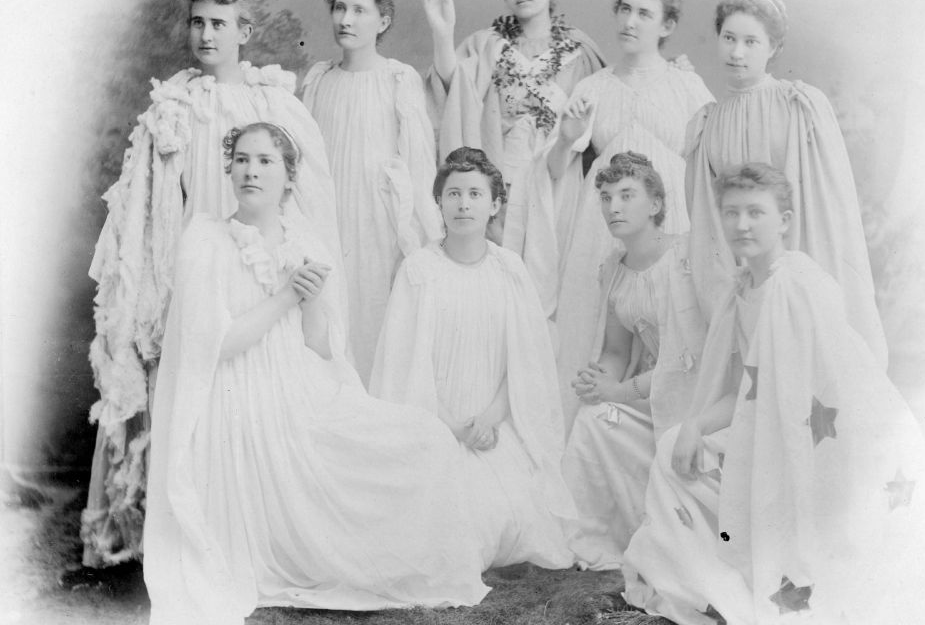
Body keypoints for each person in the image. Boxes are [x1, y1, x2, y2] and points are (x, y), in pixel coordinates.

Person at [144, 124, 489, 625]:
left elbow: (321, 346)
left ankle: (412, 563)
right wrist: (287, 294)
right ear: (229, 170)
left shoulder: (305, 240)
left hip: (300, 385)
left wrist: (310, 300)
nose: (251, 171)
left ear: (289, 177)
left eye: (266, 161)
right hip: (237, 399)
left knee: (426, 438)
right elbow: (217, 346)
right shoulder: (206, 240)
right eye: (242, 159)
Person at [83, 0, 345, 568]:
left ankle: (247, 523)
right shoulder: (174, 105)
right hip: (192, 257)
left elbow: (303, 195)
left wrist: (290, 263)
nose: (206, 34)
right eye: (198, 22)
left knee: (250, 389)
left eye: (219, 24)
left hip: (256, 262)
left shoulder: (271, 104)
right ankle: (173, 524)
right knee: (180, 387)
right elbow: (151, 205)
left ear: (244, 33)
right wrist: (161, 278)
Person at [621, 164, 925, 625]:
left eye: (755, 212)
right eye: (731, 212)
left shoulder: (798, 285)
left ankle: (788, 580)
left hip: (824, 438)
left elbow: (830, 389)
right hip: (768, 428)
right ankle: (713, 577)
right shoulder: (741, 290)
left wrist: (764, 443)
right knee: (674, 448)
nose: (741, 224)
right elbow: (749, 389)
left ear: (785, 220)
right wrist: (694, 426)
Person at [370, 147, 576, 571]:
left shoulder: (510, 270)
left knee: (514, 518)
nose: (463, 204)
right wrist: (453, 428)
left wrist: (488, 420)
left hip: (494, 424)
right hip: (436, 423)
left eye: (475, 194)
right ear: (439, 202)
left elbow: (525, 365)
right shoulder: (419, 270)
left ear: (495, 204)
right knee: (450, 524)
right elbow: (406, 367)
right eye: (454, 194)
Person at [685, 0, 886, 368]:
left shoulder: (799, 105)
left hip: (800, 264)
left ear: (773, 47)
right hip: (741, 278)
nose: (737, 52)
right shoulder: (707, 124)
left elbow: (825, 206)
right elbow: (707, 223)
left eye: (751, 42)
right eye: (728, 38)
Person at [548, 0, 713, 421]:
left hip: (669, 218)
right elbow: (555, 171)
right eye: (624, 9)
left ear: (667, 25)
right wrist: (564, 140)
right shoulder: (593, 88)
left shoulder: (687, 86)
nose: (630, 21)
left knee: (671, 324)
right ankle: (587, 421)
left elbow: (713, 164)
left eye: (644, 13)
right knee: (596, 324)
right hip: (601, 224)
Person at [422, 0, 605, 315]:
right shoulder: (486, 45)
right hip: (500, 187)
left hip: (557, 188)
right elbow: (454, 90)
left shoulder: (581, 52)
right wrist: (443, 32)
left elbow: (608, 117)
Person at [561, 152, 706, 570]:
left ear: (656, 204)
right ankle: (602, 537)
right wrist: (598, 384)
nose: (614, 207)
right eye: (606, 198)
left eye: (627, 195)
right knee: (594, 418)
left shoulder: (686, 256)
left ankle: (673, 538)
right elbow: (616, 351)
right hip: (648, 391)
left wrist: (619, 390)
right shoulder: (614, 268)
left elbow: (689, 356)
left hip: (694, 391)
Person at [301, 0, 441, 383]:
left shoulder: (398, 79)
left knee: (374, 318)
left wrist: (417, 238)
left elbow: (419, 166)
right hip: (326, 216)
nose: (346, 19)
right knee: (328, 316)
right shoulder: (318, 79)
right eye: (340, 8)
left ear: (382, 22)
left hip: (377, 221)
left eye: (359, 11)